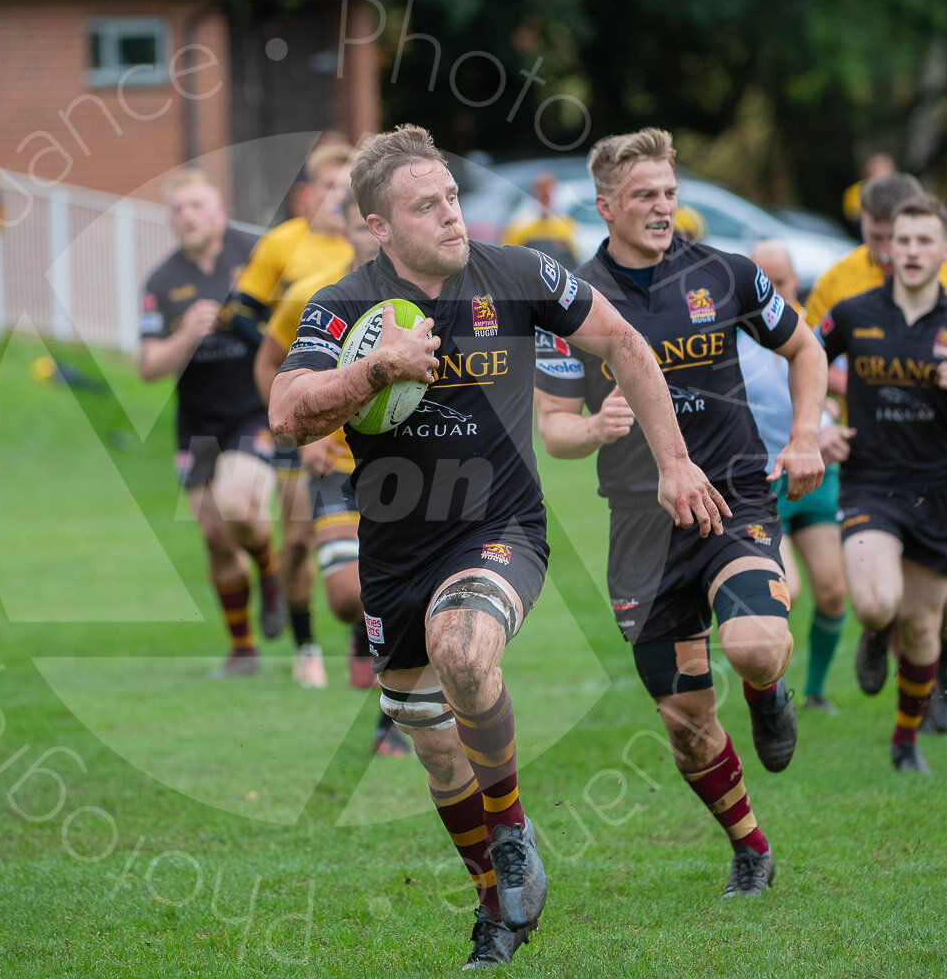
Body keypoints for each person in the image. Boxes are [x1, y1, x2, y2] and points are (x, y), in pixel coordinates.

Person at [270, 124, 726, 968]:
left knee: (464, 648)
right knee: (437, 751)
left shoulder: (517, 273)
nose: (451, 214)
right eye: (425, 206)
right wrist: (378, 369)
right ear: (378, 225)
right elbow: (288, 412)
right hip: (394, 553)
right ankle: (495, 907)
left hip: (499, 528)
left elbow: (624, 343)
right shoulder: (342, 305)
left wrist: (673, 461)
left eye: (451, 196)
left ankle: (512, 832)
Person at [532, 128, 826, 898]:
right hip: (640, 526)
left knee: (755, 645)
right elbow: (553, 427)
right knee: (687, 725)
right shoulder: (572, 302)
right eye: (644, 196)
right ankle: (750, 847)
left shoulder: (725, 273)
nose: (663, 207)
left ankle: (767, 692)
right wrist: (595, 428)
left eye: (669, 192)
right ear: (606, 207)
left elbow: (807, 350)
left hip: (732, 495)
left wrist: (804, 436)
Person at [805, 172, 947, 733]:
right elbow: (805, 354)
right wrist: (823, 415)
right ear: (866, 227)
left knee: (939, 579)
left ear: (936, 243)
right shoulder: (842, 286)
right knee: (881, 590)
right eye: (881, 238)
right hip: (873, 453)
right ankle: (882, 629)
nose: (892, 251)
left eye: (904, 238)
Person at [254, 193, 410, 755]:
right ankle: (340, 639)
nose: (373, 240)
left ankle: (393, 719)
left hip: (408, 465)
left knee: (402, 590)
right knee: (347, 596)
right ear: (349, 231)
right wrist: (304, 431)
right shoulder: (315, 298)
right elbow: (269, 365)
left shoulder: (418, 300)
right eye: (362, 228)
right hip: (337, 463)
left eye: (382, 229)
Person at [136, 169, 286, 678]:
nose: (187, 216)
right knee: (217, 538)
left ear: (220, 210)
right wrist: (184, 337)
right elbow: (147, 366)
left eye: (196, 205)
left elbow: (292, 324)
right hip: (197, 424)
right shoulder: (162, 281)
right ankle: (243, 650)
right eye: (178, 209)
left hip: (252, 410)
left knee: (239, 506)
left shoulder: (257, 256)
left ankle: (269, 571)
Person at [223, 142, 356, 688]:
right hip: (301, 416)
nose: (340, 199)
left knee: (361, 542)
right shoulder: (286, 248)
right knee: (298, 540)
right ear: (308, 194)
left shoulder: (374, 256)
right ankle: (306, 645)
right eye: (332, 186)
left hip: (358, 425)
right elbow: (242, 317)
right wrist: (295, 384)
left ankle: (363, 640)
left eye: (350, 189)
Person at [742, 240, 849, 714]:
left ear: (795, 282)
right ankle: (769, 692)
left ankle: (816, 693)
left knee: (833, 590)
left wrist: (831, 424)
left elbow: (836, 392)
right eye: (761, 282)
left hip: (814, 474)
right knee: (786, 590)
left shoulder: (814, 335)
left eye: (781, 282)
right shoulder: (731, 336)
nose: (772, 291)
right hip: (761, 481)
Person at [500, 173, 580, 267]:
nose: (545, 201)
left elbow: (575, 261)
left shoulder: (566, 225)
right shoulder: (518, 227)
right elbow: (507, 262)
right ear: (534, 195)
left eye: (548, 196)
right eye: (542, 195)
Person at [841, 151, 897, 229]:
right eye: (878, 167)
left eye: (885, 167)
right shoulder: (856, 190)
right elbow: (854, 217)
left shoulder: (900, 188)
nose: (881, 171)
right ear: (869, 170)